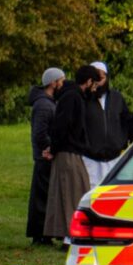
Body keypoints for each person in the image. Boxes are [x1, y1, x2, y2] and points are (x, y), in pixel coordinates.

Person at [44, 64, 102, 240]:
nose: (95, 88)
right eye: (94, 83)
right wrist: (54, 149)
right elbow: (62, 126)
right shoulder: (72, 97)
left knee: (72, 190)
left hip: (70, 150)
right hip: (68, 151)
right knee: (72, 192)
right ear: (89, 81)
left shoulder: (73, 96)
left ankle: (67, 234)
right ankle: (70, 235)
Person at [27, 67, 64, 246]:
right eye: (61, 81)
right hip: (44, 157)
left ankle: (44, 233)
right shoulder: (43, 104)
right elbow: (39, 133)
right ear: (53, 82)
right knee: (42, 195)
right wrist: (49, 148)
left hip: (47, 155)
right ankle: (40, 234)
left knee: (46, 194)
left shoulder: (48, 102)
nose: (62, 85)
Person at [82, 60, 131, 188]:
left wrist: (121, 142)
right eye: (94, 78)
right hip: (90, 158)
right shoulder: (82, 99)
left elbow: (125, 121)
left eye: (101, 78)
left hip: (114, 157)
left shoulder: (117, 97)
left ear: (107, 78)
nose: (98, 82)